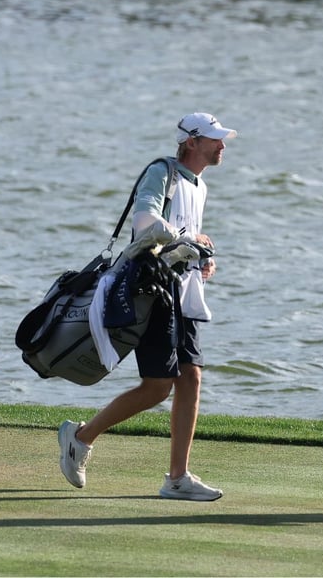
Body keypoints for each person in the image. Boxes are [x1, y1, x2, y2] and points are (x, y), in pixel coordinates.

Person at [58, 112, 237, 502]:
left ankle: (177, 478)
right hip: (153, 290)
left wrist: (202, 254)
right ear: (191, 142)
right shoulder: (162, 172)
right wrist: (192, 239)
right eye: (214, 139)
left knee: (190, 378)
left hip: (184, 291)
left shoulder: (198, 184)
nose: (222, 146)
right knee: (158, 387)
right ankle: (80, 437)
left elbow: (183, 234)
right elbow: (145, 224)